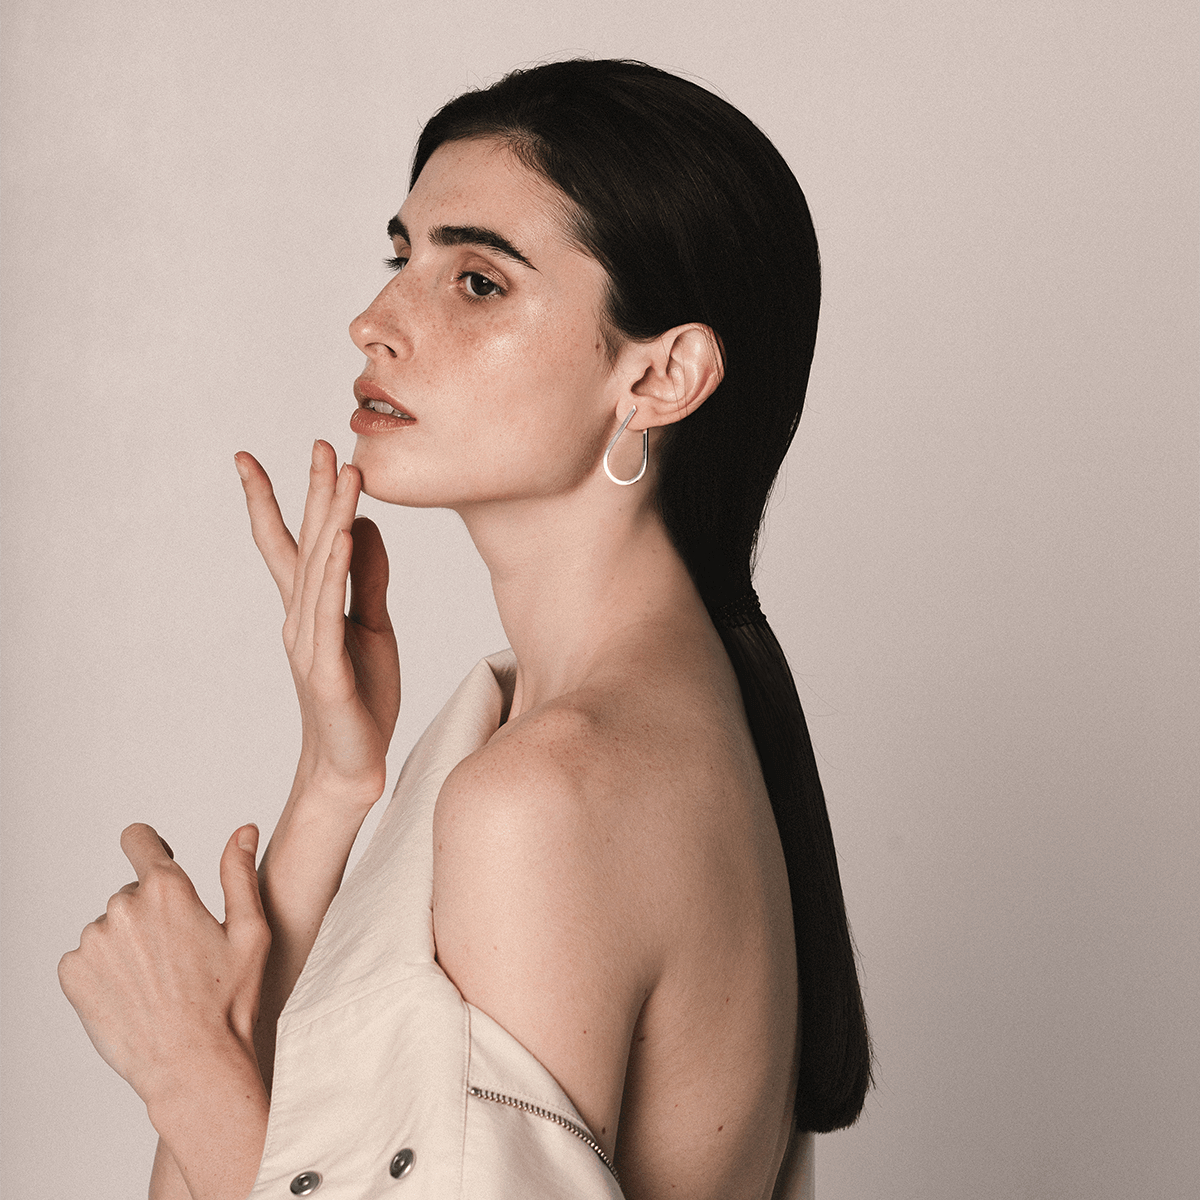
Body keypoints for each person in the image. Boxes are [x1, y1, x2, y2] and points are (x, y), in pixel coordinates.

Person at [59, 59, 870, 1200]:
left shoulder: (543, 796)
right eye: (402, 256)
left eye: (479, 280)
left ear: (663, 376)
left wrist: (183, 1066)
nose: (375, 320)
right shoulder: (646, 716)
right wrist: (334, 783)